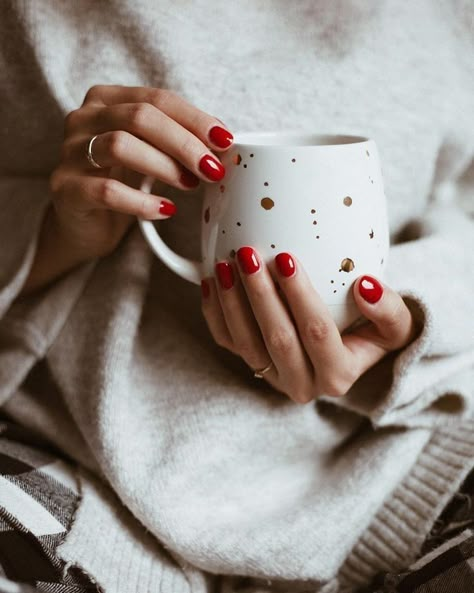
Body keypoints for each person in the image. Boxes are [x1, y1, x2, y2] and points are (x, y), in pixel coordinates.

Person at [0, 1, 473, 592]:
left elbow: (466, 212)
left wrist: (405, 324)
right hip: (83, 470)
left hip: (392, 468)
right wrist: (57, 234)